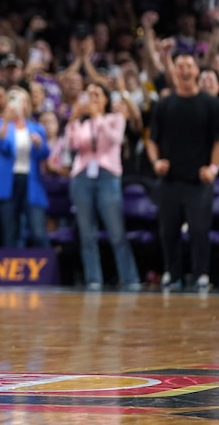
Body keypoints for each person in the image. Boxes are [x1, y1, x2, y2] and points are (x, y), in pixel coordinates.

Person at [147, 53, 219, 292]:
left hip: (198, 181)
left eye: (189, 66)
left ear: (197, 72)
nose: (184, 70)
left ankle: (201, 274)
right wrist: (156, 161)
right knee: (168, 230)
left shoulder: (211, 103)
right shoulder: (164, 104)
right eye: (179, 66)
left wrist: (213, 168)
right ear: (174, 72)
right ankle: (173, 273)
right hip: (170, 180)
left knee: (199, 229)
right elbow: (152, 139)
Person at [65, 83, 142, 291]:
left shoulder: (115, 118)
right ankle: (93, 279)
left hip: (107, 176)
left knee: (116, 231)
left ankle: (129, 278)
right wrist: (73, 118)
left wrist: (97, 116)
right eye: (89, 94)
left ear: (106, 99)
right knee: (86, 233)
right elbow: (71, 145)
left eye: (97, 94)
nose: (92, 98)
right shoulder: (82, 123)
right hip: (82, 176)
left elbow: (114, 139)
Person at [0, 86, 51, 248]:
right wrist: (6, 121)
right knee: (10, 232)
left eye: (19, 100)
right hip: (7, 182)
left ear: (26, 105)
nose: (15, 104)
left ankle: (48, 267)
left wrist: (39, 144)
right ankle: (13, 271)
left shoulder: (36, 128)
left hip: (31, 182)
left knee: (37, 232)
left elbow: (44, 153)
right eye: (11, 99)